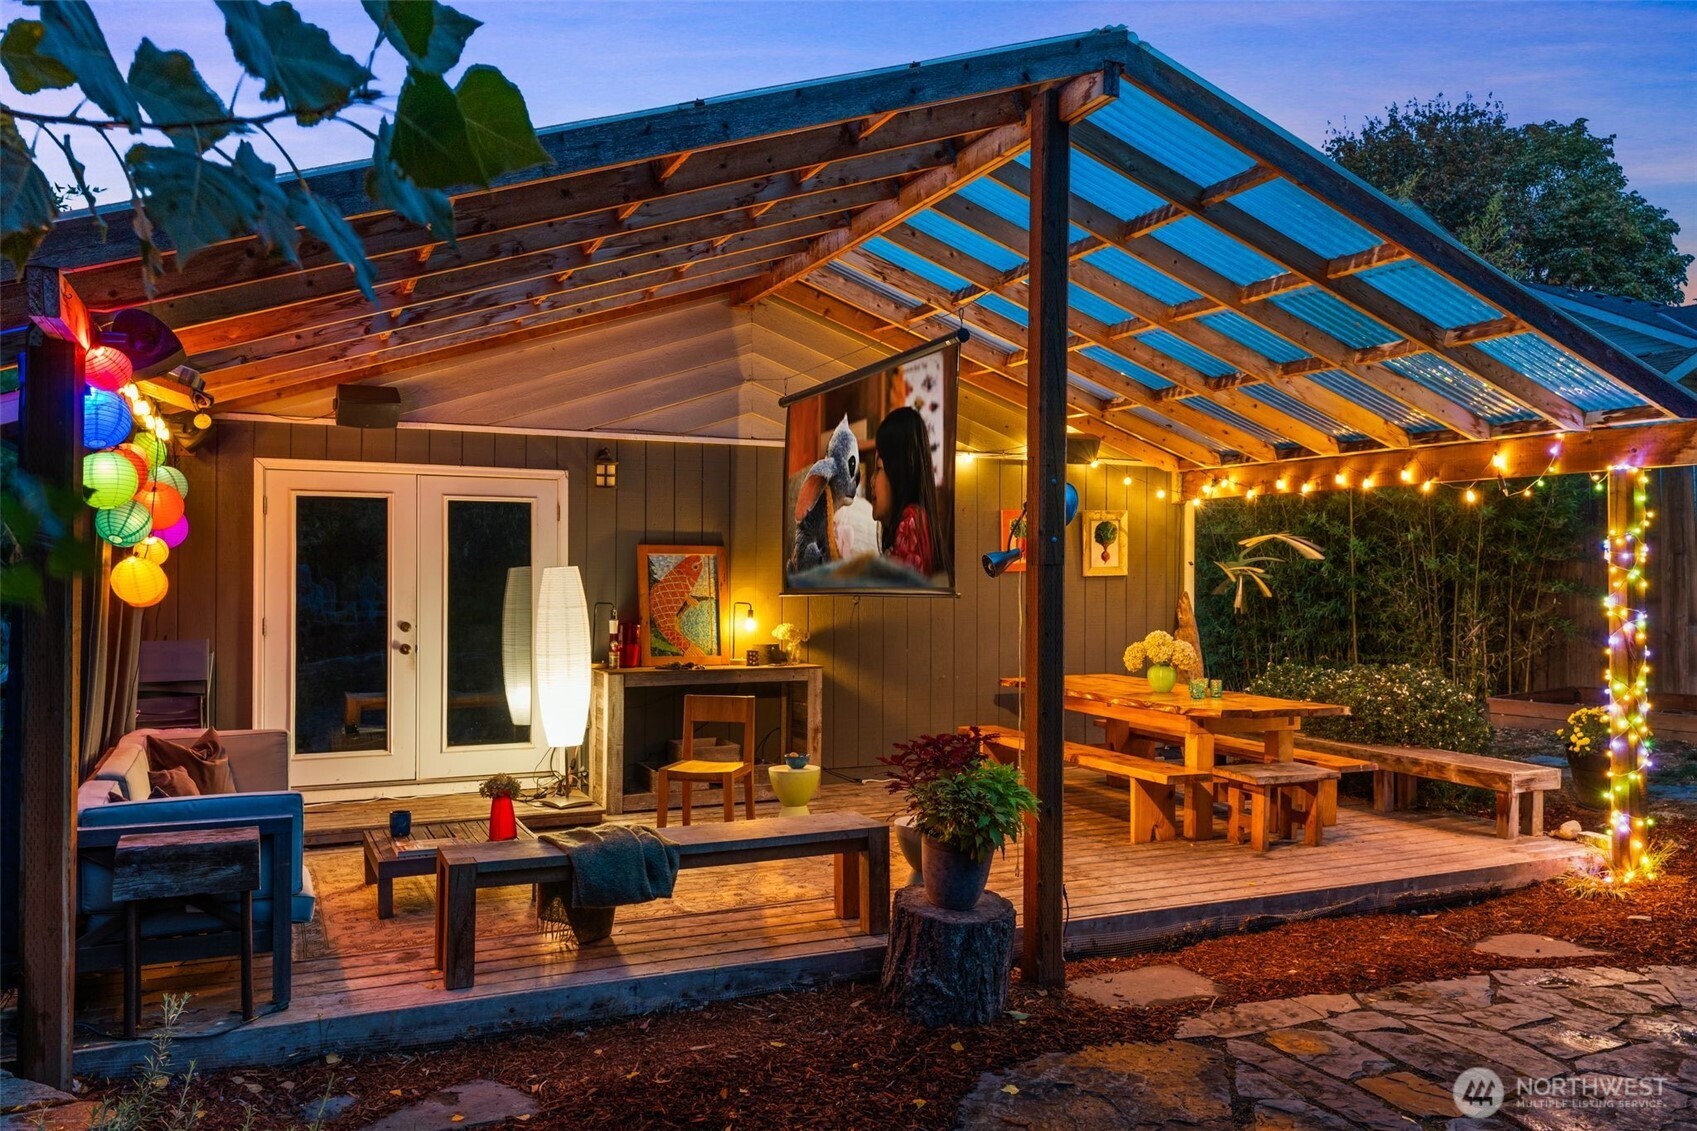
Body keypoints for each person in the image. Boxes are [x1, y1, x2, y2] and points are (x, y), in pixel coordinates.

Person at [871, 406, 944, 577]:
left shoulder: (910, 523)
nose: (871, 481)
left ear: (900, 473)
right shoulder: (915, 520)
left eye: (878, 468)